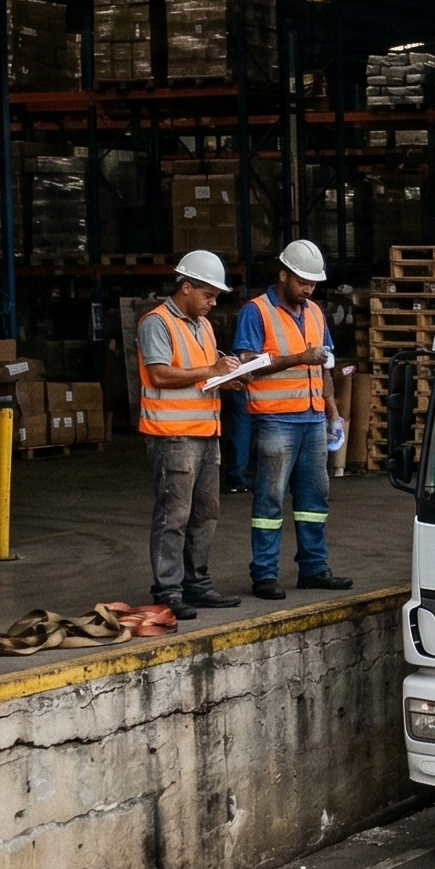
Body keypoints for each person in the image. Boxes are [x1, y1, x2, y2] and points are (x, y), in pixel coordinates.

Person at [234, 239, 354, 600]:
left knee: (314, 499)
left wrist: (333, 413)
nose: (308, 290)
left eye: (313, 284)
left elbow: (324, 368)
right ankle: (264, 574)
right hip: (275, 420)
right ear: (283, 274)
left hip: (313, 419)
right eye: (302, 282)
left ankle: (314, 569)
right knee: (269, 500)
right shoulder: (256, 311)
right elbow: (247, 365)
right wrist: (300, 356)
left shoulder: (315, 313)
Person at [139, 252, 245, 620]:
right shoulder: (157, 323)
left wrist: (228, 378)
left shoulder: (203, 326)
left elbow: (202, 375)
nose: (213, 303)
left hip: (205, 434)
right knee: (174, 516)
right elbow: (160, 375)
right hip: (173, 436)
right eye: (208, 295)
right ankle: (167, 590)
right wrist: (212, 371)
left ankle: (196, 584)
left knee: (205, 514)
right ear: (186, 288)